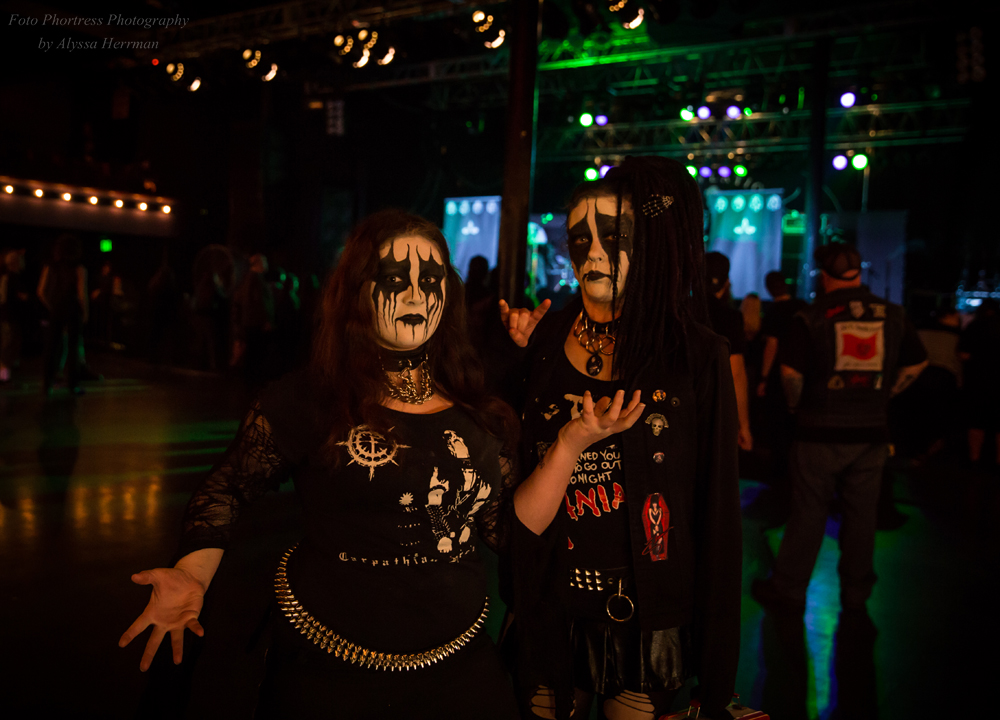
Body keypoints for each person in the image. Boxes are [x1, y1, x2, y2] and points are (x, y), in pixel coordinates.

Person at [122, 209, 601, 719]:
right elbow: (226, 490)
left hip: (461, 668)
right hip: (330, 674)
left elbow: (507, 532)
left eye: (431, 279)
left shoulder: (477, 408)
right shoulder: (310, 398)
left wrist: (569, 446)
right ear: (357, 291)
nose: (417, 294)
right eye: (396, 279)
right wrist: (190, 575)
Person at [498, 156, 742, 720]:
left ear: (652, 244)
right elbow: (509, 465)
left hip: (648, 612)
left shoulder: (697, 355)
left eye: (614, 235)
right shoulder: (544, 338)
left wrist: (717, 662)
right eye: (580, 237)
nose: (594, 253)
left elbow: (716, 511)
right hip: (551, 605)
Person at [752, 243, 927, 615]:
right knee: (862, 516)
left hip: (818, 431)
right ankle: (856, 593)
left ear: (825, 275)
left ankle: (789, 589)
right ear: (859, 273)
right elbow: (916, 364)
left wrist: (798, 407)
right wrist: (884, 396)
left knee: (808, 512)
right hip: (871, 432)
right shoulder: (893, 314)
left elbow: (790, 373)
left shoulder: (812, 315)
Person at [705, 251, 753, 451]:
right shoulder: (730, 317)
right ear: (726, 283)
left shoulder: (677, 312)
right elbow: (736, 373)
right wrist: (743, 425)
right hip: (714, 408)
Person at [37, 234, 88, 395]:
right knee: (73, 348)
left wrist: (52, 307)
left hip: (57, 310)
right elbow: (82, 294)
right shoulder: (79, 268)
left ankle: (47, 385)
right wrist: (85, 313)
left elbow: (41, 291)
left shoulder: (50, 266)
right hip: (73, 310)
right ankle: (73, 385)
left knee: (51, 347)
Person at [958, 299, 1000, 467]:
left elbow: (963, 354)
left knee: (976, 421)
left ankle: (974, 458)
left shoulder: (974, 326)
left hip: (977, 380)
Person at [0, 249, 28, 383]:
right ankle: (3, 376)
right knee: (8, 345)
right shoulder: (10, 278)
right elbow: (5, 299)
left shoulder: (11, 277)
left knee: (11, 344)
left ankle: (6, 375)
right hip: (9, 317)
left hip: (11, 317)